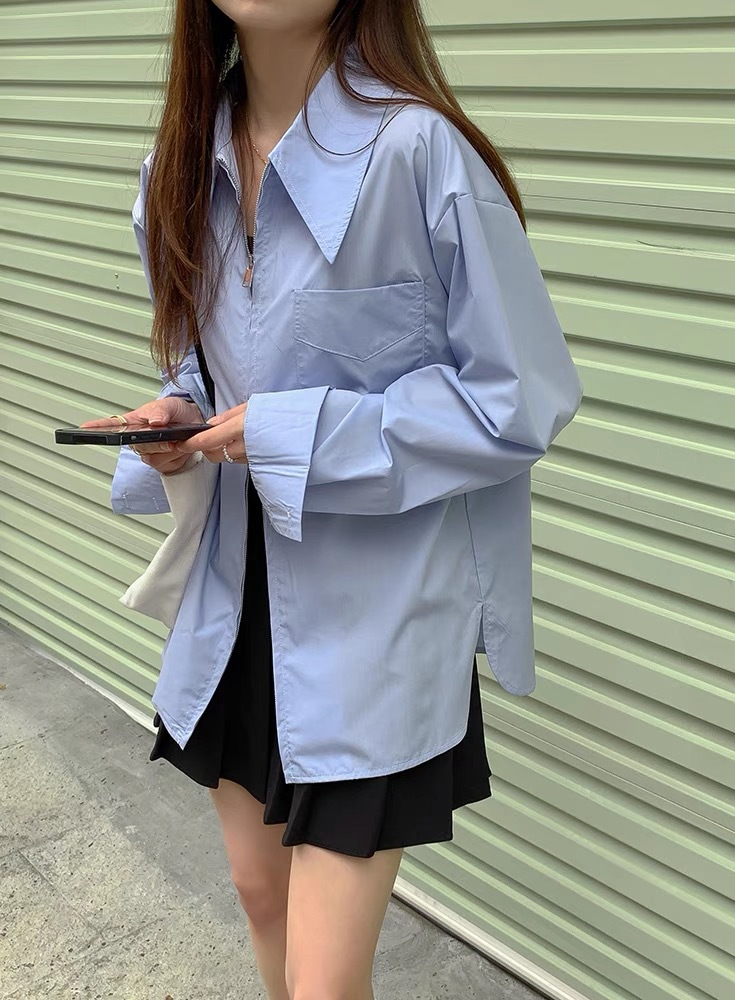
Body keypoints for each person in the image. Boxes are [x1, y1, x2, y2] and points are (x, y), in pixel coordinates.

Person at [81, 0, 582, 996]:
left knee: (323, 976)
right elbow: (204, 370)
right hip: (236, 602)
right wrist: (178, 421)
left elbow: (519, 399)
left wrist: (295, 433)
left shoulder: (420, 154)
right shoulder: (175, 168)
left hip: (379, 619)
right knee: (258, 894)